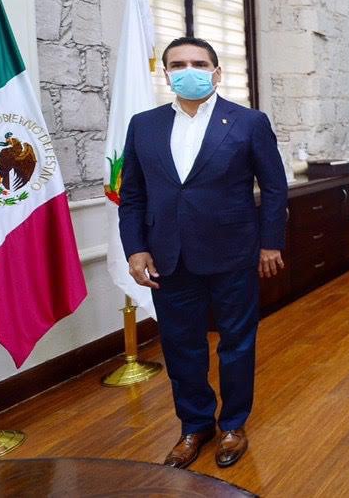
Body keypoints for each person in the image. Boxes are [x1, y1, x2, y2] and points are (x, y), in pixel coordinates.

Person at [119, 36, 287, 469]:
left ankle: (233, 424)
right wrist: (135, 249)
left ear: (216, 72)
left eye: (198, 63)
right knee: (181, 346)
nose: (188, 70)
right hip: (168, 257)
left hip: (233, 253)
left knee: (237, 343)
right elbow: (132, 195)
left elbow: (274, 187)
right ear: (166, 73)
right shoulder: (144, 125)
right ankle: (194, 426)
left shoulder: (248, 122)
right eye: (178, 64)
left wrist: (270, 243)